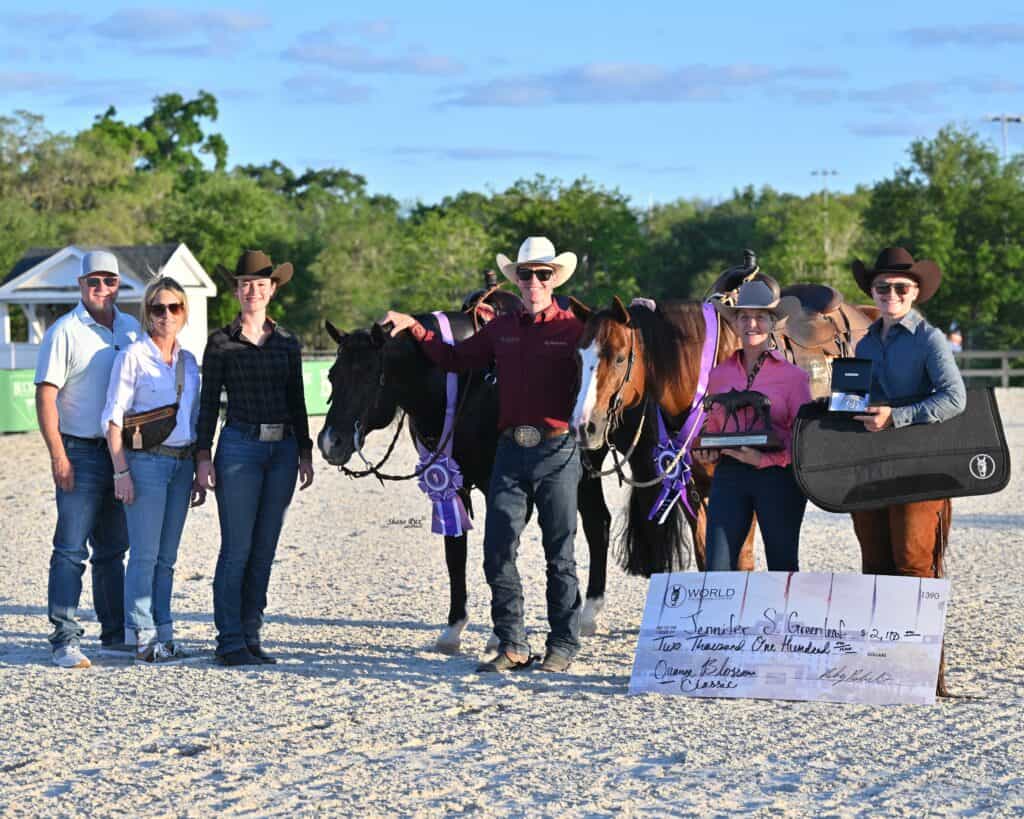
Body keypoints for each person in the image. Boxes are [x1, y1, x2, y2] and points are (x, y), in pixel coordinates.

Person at [382, 236, 584, 673]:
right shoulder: (501, 328)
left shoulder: (574, 329)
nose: (534, 281)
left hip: (558, 450)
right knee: (497, 551)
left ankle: (563, 643)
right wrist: (415, 329)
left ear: (554, 280)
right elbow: (452, 359)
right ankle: (512, 642)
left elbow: (612, 361)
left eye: (542, 275)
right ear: (518, 278)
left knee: (560, 554)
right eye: (526, 274)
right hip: (510, 450)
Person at [196, 250, 315, 667]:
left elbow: (297, 399)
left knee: (265, 548)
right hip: (239, 447)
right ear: (236, 290)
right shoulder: (220, 341)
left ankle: (251, 634)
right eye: (245, 284)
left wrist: (305, 449)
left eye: (260, 285)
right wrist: (202, 455)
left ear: (271, 290)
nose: (252, 291)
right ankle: (229, 640)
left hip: (282, 450)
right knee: (237, 548)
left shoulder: (286, 342)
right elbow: (208, 402)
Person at [34, 251, 141, 668]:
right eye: (93, 282)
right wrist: (57, 454)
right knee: (70, 550)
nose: (101, 289)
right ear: (81, 285)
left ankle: (113, 633)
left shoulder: (132, 329)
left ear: (118, 285)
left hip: (119, 453)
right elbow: (46, 395)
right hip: (77, 450)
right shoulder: (65, 331)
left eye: (109, 281)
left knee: (114, 549)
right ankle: (64, 639)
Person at [102, 278, 204, 663]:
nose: (165, 315)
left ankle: (164, 633)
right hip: (144, 464)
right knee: (143, 555)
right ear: (147, 312)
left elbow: (192, 421)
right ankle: (143, 637)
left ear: (183, 313)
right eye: (158, 308)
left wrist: (196, 468)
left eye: (173, 308)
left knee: (167, 557)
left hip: (180, 465)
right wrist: (120, 472)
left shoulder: (190, 362)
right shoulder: (132, 356)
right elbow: (112, 419)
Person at [849, 248, 966, 578]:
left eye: (901, 287)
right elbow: (861, 398)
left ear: (915, 292)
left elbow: (955, 399)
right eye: (883, 287)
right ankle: (884, 631)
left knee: (913, 560)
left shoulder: (931, 339)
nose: (892, 295)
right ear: (872, 292)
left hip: (920, 462)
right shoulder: (865, 344)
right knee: (874, 563)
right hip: (872, 463)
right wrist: (843, 403)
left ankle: (926, 632)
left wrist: (896, 416)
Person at [694, 277, 811, 572]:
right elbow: (714, 426)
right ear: (735, 323)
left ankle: (785, 618)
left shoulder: (794, 378)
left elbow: (804, 441)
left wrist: (764, 458)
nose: (751, 324)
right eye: (744, 317)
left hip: (777, 478)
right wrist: (705, 449)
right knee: (716, 567)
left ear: (772, 323)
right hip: (729, 475)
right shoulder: (719, 375)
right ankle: (722, 619)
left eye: (760, 317)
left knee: (782, 566)